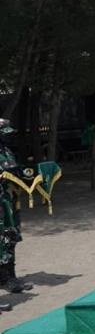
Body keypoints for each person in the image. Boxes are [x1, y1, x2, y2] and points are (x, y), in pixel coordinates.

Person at [0, 118, 34, 295]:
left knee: (12, 237)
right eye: (4, 135)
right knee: (2, 240)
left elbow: (16, 172)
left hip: (11, 202)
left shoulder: (7, 151)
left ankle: (11, 277)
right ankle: (4, 279)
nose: (7, 138)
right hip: (1, 204)